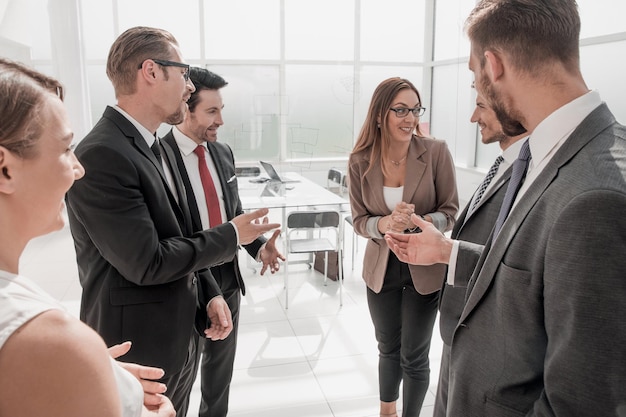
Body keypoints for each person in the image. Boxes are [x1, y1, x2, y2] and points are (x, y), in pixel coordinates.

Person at [387, 1, 626, 416]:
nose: (476, 91)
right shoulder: (543, 152)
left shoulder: (597, 196)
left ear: (492, 66)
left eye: (472, 74)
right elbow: (526, 276)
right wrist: (448, 252)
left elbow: (583, 402)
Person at [65, 26, 279, 416]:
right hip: (139, 349)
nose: (188, 86)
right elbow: (147, 261)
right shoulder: (103, 154)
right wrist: (232, 234)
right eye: (183, 73)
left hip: (176, 336)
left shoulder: (141, 144)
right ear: (151, 71)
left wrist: (209, 291)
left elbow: (177, 231)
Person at [0, 58, 175, 417]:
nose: (78, 169)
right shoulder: (51, 336)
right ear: (5, 169)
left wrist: (90, 373)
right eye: (66, 149)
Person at [162, 67, 285, 417]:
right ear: (187, 108)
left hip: (227, 279)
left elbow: (234, 214)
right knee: (181, 379)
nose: (221, 120)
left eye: (222, 110)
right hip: (187, 280)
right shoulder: (160, 157)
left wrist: (260, 245)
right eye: (212, 111)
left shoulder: (222, 152)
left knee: (219, 378)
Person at [347, 77, 459, 417]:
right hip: (381, 269)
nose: (410, 118)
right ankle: (387, 411)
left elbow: (450, 211)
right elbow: (359, 220)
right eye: (400, 110)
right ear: (380, 115)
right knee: (387, 347)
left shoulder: (436, 151)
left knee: (415, 353)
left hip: (424, 268)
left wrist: (420, 223)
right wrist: (384, 224)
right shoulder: (359, 160)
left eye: (415, 109)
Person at [435, 93, 527, 417]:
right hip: (458, 330)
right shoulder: (503, 163)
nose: (473, 117)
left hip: (490, 346)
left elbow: (514, 265)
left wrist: (447, 250)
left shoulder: (530, 172)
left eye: (482, 106)